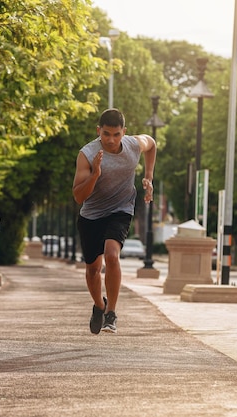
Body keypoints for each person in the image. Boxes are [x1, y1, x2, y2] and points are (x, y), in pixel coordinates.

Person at [72, 108, 156, 334]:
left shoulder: (132, 145)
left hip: (121, 209)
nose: (110, 140)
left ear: (124, 132)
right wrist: (95, 175)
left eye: (116, 134)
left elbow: (152, 144)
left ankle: (111, 313)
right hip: (91, 214)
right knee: (92, 269)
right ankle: (99, 305)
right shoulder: (87, 154)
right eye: (106, 134)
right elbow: (79, 196)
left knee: (111, 255)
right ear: (98, 131)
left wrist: (148, 177)